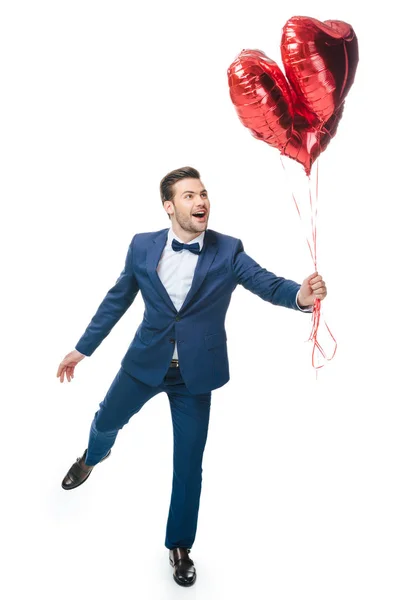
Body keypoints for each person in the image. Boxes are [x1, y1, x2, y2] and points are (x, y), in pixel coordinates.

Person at [56, 166, 327, 587]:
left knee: (189, 464)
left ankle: (179, 545)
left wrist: (300, 296)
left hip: (194, 377)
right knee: (106, 421)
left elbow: (266, 283)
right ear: (169, 206)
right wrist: (82, 349)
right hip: (144, 364)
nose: (200, 201)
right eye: (189, 196)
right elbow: (116, 301)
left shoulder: (228, 250)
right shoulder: (142, 247)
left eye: (203, 193)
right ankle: (91, 458)